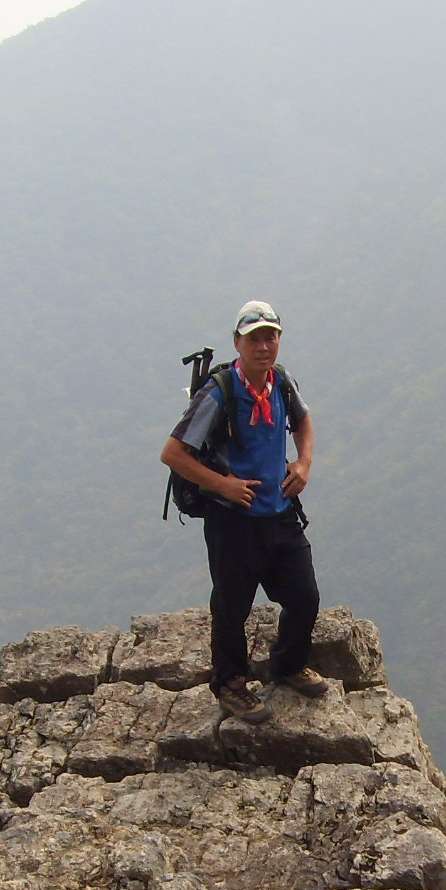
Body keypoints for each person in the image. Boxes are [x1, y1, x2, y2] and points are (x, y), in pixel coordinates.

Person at [160, 299, 325, 723]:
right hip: (232, 522)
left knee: (304, 597)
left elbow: (304, 423)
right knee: (232, 607)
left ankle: (287, 665)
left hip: (280, 513)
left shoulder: (281, 383)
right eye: (255, 338)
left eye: (271, 336)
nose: (264, 346)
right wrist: (223, 486)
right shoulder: (221, 392)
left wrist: (303, 463)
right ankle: (230, 684)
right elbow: (173, 453)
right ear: (238, 343)